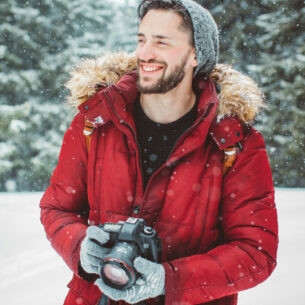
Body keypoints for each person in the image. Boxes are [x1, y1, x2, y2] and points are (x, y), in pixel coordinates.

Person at [40, 0, 278, 304]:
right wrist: (80, 247)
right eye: (142, 40)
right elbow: (57, 209)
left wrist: (170, 279)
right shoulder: (95, 122)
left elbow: (256, 251)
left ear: (195, 55)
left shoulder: (233, 143)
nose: (145, 53)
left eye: (161, 42)